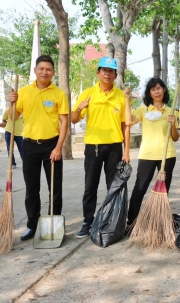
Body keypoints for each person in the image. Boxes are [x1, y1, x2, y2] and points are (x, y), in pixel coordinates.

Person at [9, 55, 69, 241]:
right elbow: (12, 117)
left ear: (53, 72)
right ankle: (32, 225)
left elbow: (64, 121)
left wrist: (58, 147)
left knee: (55, 188)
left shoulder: (58, 93)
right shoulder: (25, 92)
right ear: (35, 70)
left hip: (52, 145)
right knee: (31, 189)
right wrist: (11, 102)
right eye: (41, 68)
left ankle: (54, 224)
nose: (45, 72)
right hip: (29, 146)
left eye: (48, 69)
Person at [71, 57, 130, 238]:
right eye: (103, 70)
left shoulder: (121, 96)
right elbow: (73, 119)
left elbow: (125, 125)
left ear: (115, 75)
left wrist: (126, 150)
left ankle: (112, 222)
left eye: (110, 71)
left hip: (114, 147)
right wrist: (79, 108)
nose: (107, 73)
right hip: (93, 147)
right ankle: (87, 222)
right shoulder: (88, 93)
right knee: (90, 186)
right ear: (98, 73)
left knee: (114, 186)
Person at [125, 77, 179, 232]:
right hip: (147, 154)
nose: (157, 91)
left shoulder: (170, 111)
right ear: (149, 92)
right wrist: (127, 100)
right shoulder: (144, 109)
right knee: (139, 188)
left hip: (167, 155)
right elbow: (128, 121)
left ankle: (160, 223)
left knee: (163, 191)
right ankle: (132, 223)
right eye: (153, 89)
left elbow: (175, 137)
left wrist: (173, 123)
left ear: (164, 90)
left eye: (159, 88)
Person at [2, 105, 24, 169]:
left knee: (22, 148)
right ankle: (12, 163)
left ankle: (25, 162)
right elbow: (4, 120)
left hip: (19, 133)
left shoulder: (23, 111)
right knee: (10, 149)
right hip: (9, 132)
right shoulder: (8, 110)